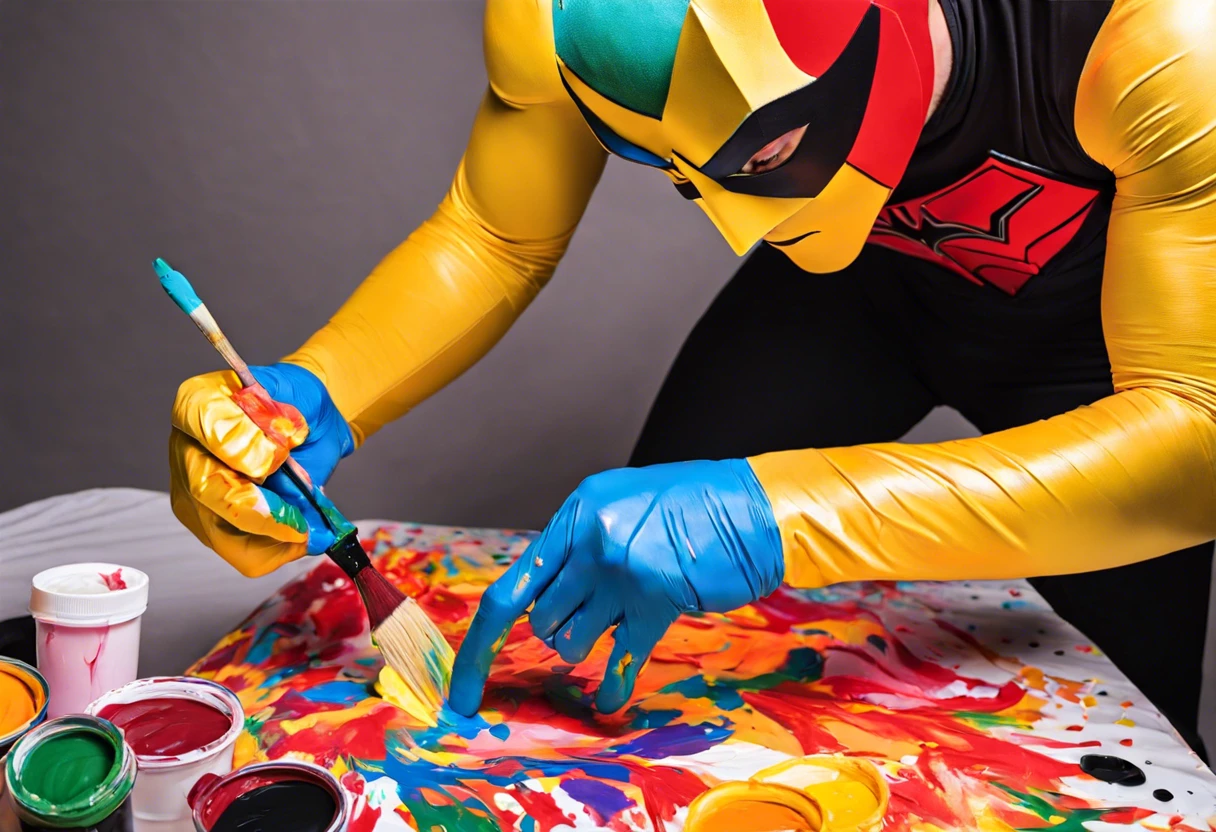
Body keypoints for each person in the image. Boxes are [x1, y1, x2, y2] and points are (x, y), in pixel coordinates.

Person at [169, 0, 1216, 757]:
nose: (727, 225)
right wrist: (318, 388)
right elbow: (494, 234)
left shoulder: (1162, 40)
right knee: (635, 651)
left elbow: (1193, 443)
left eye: (766, 155)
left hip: (1116, 360)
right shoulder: (555, 17)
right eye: (665, 168)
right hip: (844, 299)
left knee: (1128, 740)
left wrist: (779, 517)